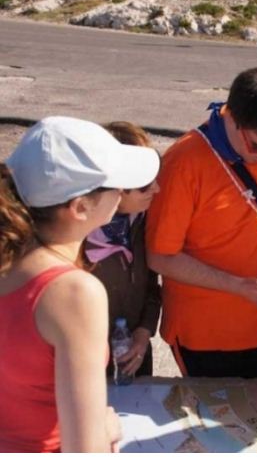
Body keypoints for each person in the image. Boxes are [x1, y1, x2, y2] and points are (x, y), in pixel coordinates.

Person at [0, 116, 160, 452]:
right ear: (80, 207)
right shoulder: (74, 293)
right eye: (117, 185)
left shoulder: (10, 257)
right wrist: (105, 427)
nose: (122, 194)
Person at [146, 66, 257, 381]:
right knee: (217, 428)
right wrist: (237, 286)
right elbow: (160, 256)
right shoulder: (183, 163)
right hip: (207, 338)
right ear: (231, 116)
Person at [85, 121, 161, 379]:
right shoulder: (73, 239)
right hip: (85, 361)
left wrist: (142, 334)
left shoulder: (142, 221)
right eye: (144, 184)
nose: (156, 189)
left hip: (133, 357)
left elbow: (152, 287)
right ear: (114, 186)